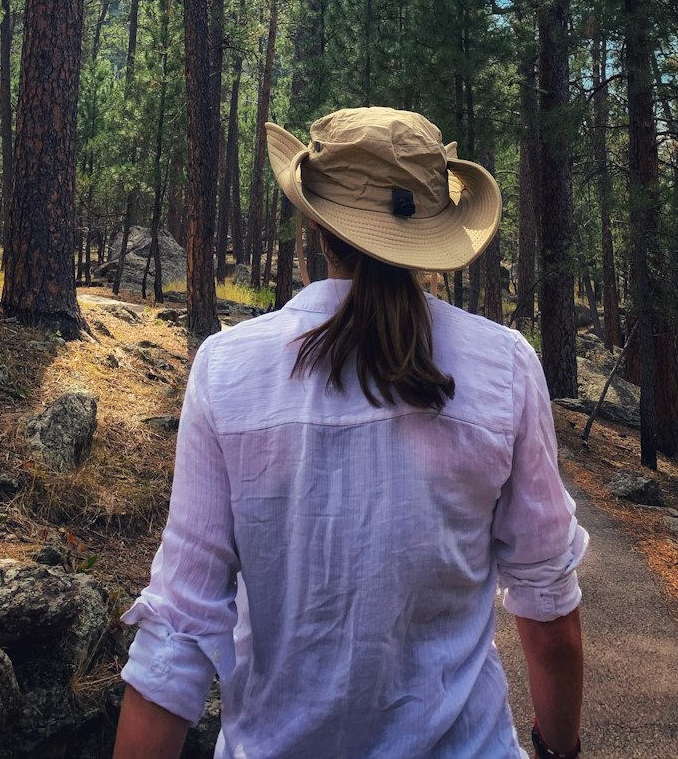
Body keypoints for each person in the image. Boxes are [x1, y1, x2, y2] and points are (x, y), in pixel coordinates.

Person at [113, 106, 587, 759]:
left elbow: (178, 631)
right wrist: (558, 747)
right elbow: (550, 615)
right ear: (436, 232)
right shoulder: (504, 366)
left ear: (315, 224)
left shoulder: (227, 370)